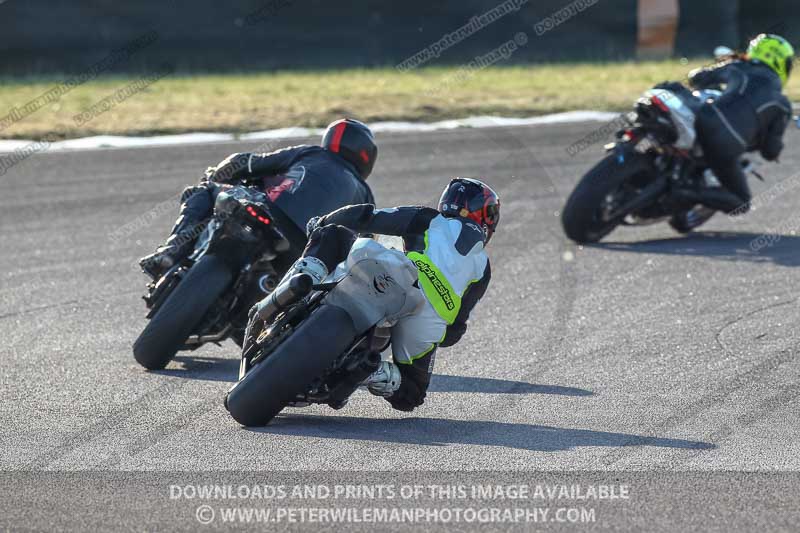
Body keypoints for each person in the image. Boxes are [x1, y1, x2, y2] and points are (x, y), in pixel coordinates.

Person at [254, 178, 500, 412]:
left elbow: (368, 216)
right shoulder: (483, 265)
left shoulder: (429, 218)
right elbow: (455, 328)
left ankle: (302, 280)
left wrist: (322, 222)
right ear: (484, 217)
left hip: (403, 272)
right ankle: (371, 370)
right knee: (412, 394)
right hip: (430, 316)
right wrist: (438, 336)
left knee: (333, 233)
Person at [139, 118, 377, 279]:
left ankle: (170, 251)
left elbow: (247, 162)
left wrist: (215, 175)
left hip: (269, 212)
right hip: (305, 253)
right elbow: (362, 248)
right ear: (366, 156)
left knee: (201, 191)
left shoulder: (311, 153)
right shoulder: (365, 194)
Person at [672, 33, 794, 229]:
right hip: (726, 145)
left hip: (703, 119)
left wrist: (723, 67)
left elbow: (696, 77)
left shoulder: (739, 67)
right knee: (741, 201)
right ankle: (684, 192)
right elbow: (770, 152)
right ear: (781, 63)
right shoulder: (782, 104)